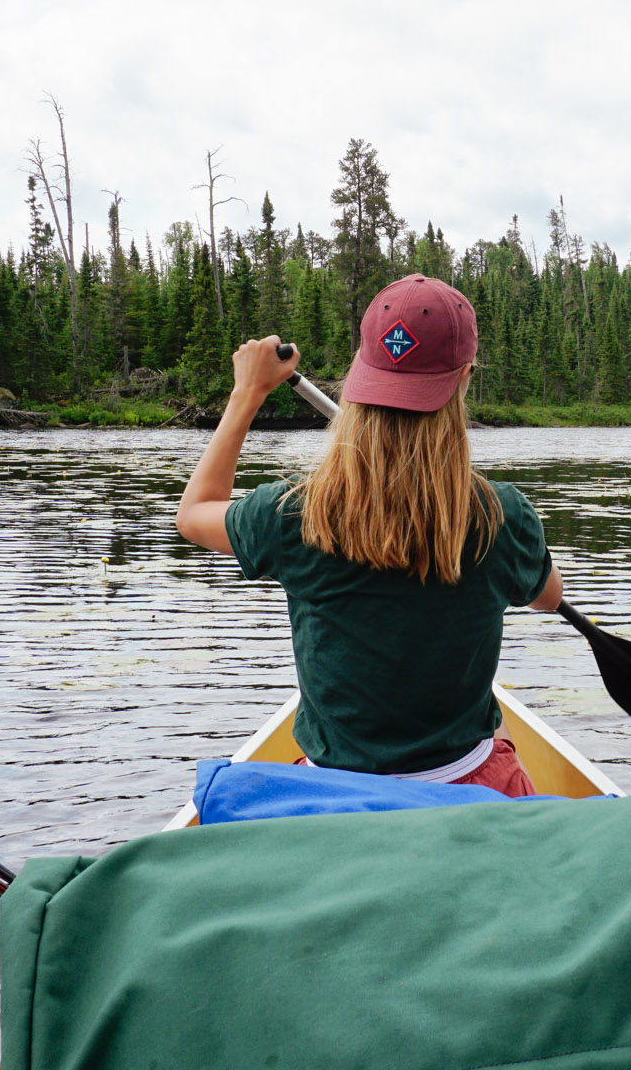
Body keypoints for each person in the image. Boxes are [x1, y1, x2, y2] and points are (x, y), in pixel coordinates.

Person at [175, 275, 564, 796]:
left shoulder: (291, 511)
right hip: (468, 782)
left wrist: (248, 393)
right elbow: (548, 598)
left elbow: (194, 512)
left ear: (361, 373)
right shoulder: (502, 514)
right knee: (498, 728)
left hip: (333, 789)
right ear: (465, 376)